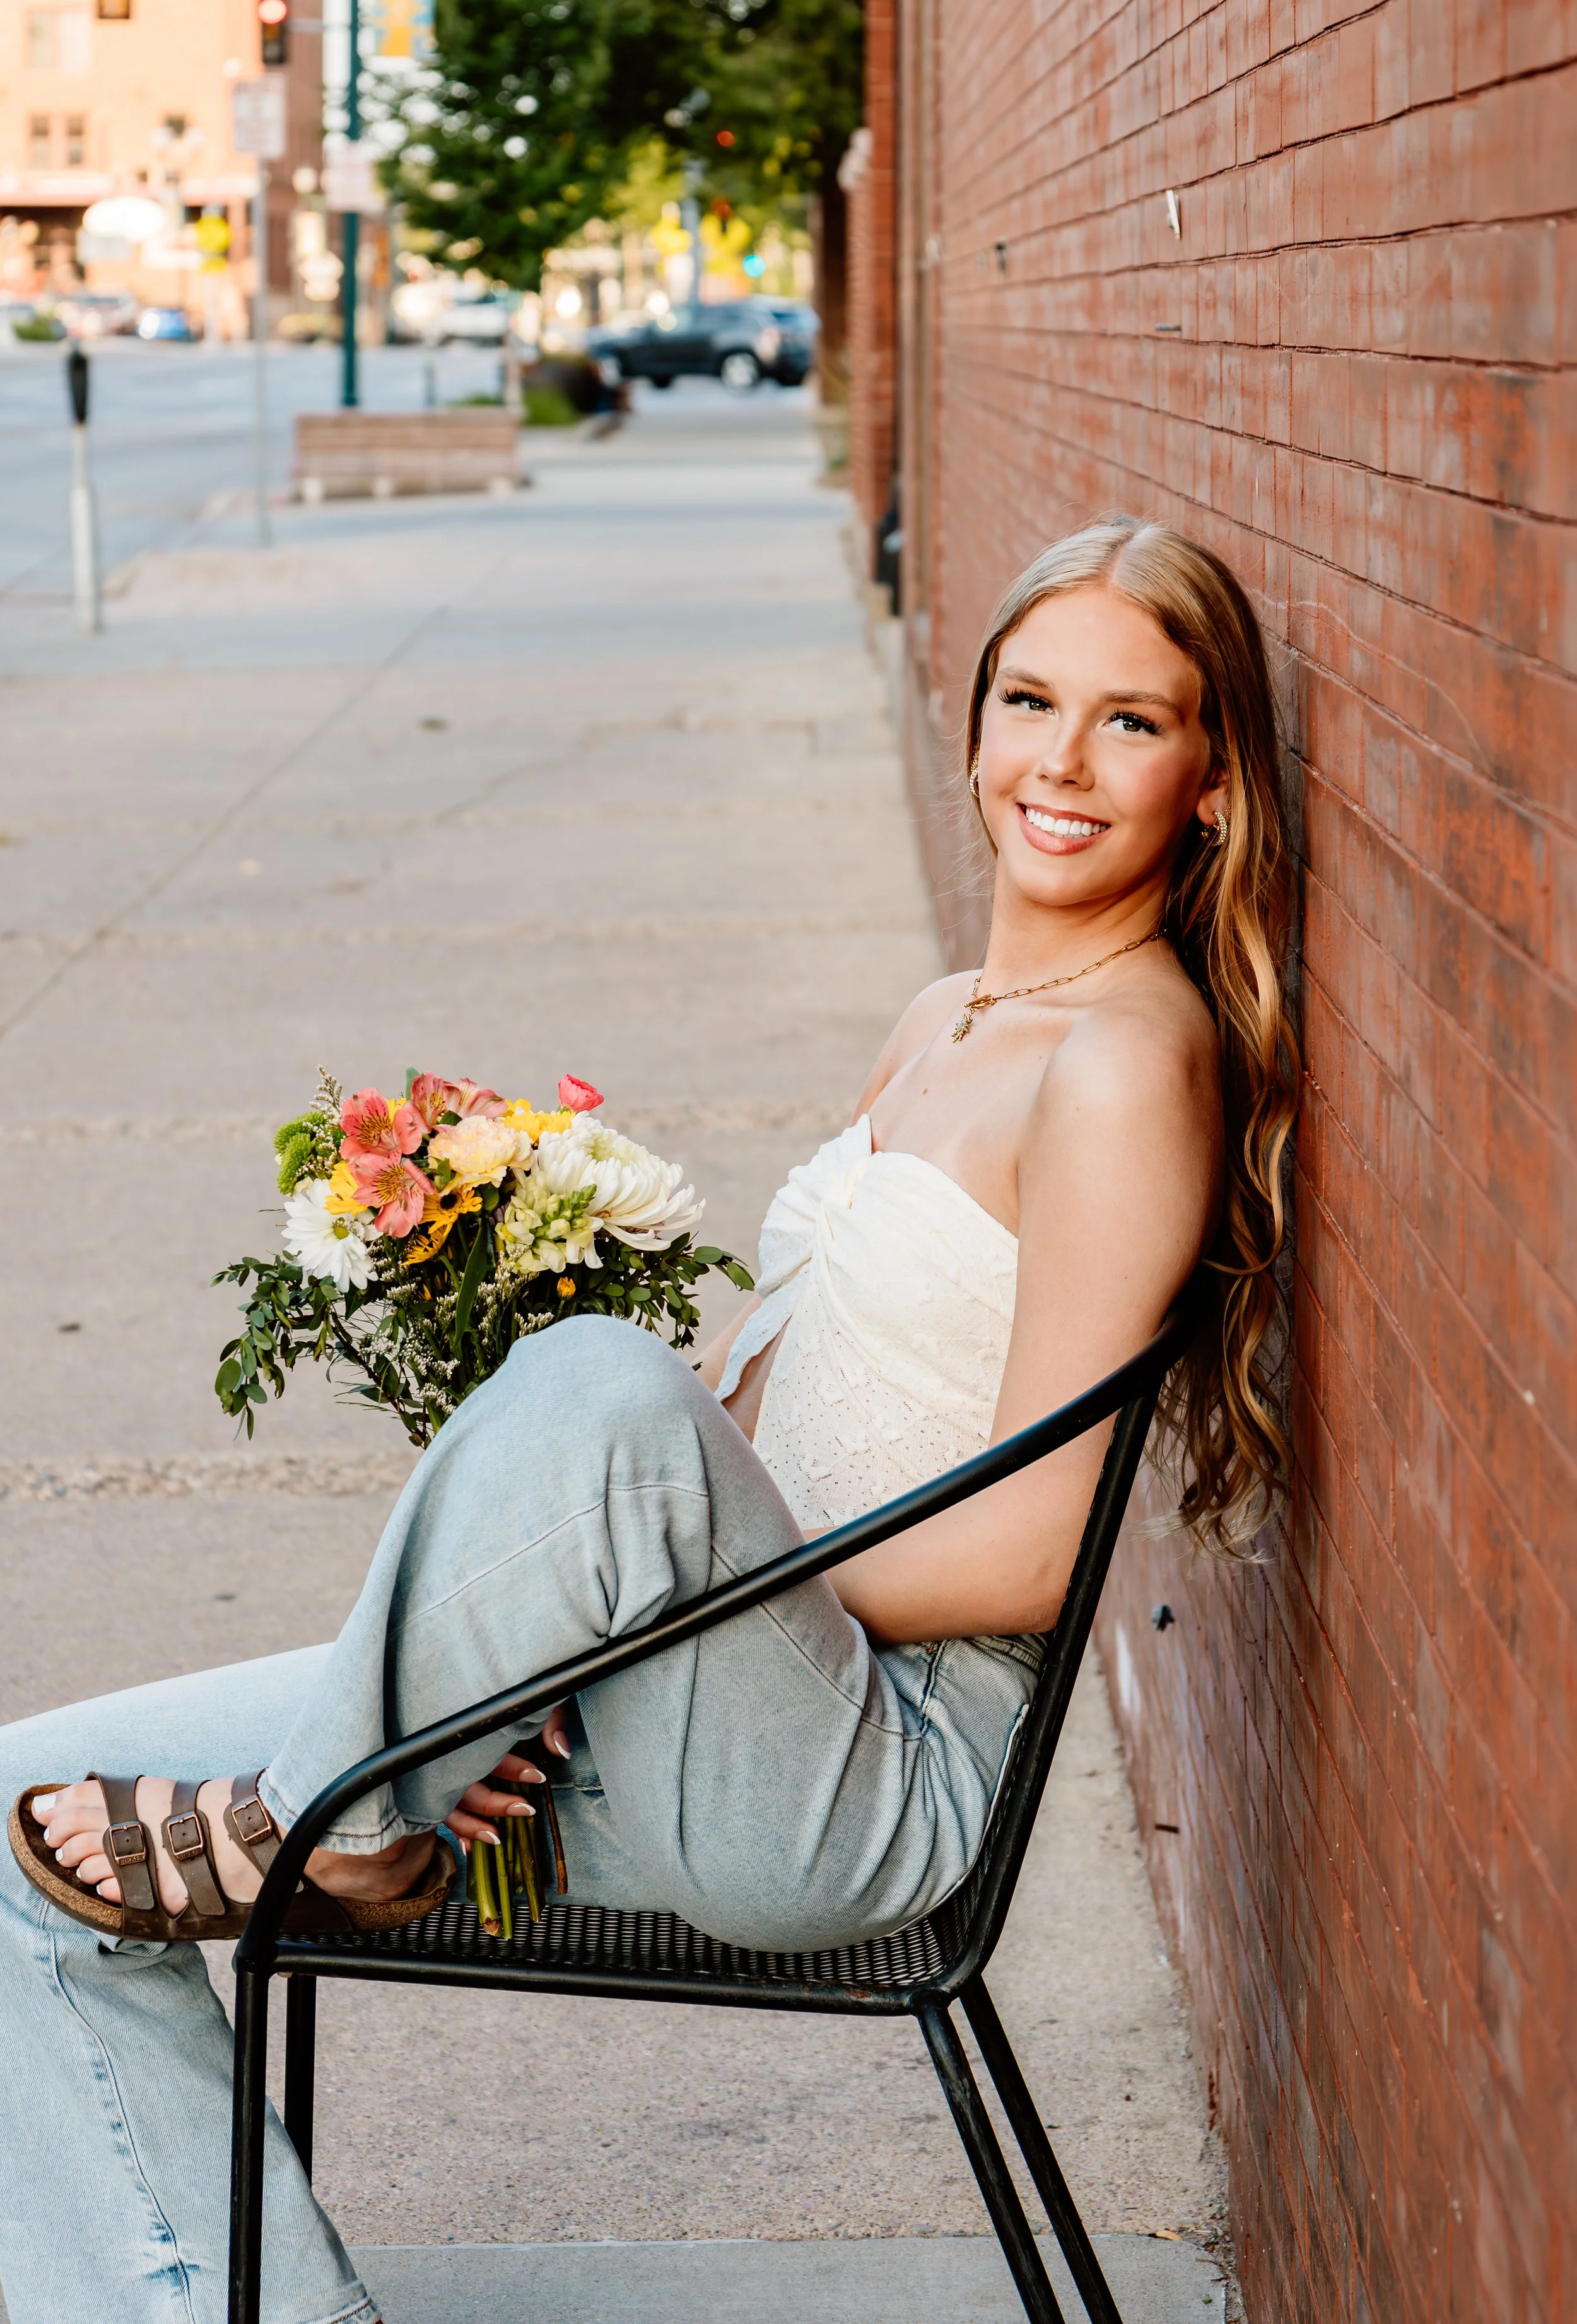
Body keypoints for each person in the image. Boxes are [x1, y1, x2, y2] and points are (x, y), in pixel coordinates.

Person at [0, 517, 1296, 2323]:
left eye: (1131, 722)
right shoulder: (951, 1014)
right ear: (976, 718)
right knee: (10, 1816)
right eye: (1028, 700)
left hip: (862, 1776)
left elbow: (1026, 1538)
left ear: (1214, 783)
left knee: (604, 1378)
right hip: (708, 1692)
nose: (1059, 765)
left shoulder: (1124, 1067)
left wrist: (626, 1593)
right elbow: (784, 1403)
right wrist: (554, 1606)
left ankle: (343, 1813)